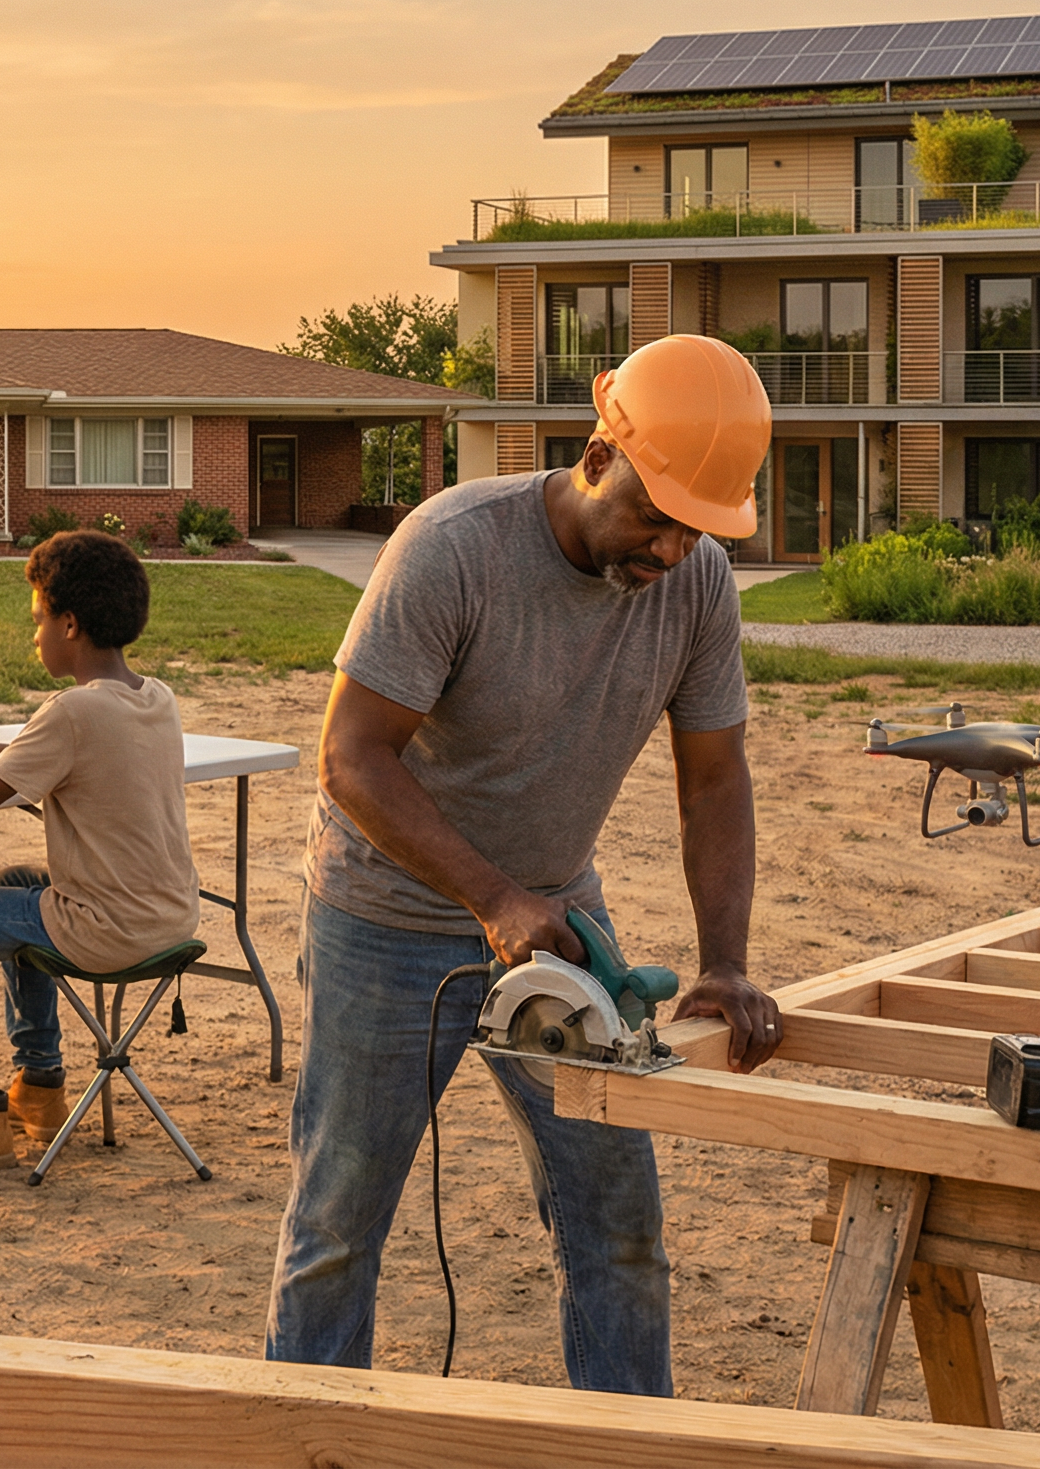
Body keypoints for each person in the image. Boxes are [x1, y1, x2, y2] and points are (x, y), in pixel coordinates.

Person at [263, 334, 785, 1392]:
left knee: (616, 1217)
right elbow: (349, 757)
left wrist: (723, 960)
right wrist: (491, 897)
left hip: (556, 917)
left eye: (696, 530)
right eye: (653, 516)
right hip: (385, 922)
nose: (671, 552)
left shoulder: (697, 586)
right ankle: (301, 1437)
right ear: (597, 456)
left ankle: (624, 1446)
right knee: (338, 1223)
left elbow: (715, 779)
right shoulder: (455, 548)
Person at [0, 530, 199, 1169]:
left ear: (69, 623)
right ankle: (40, 1085)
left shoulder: (71, 711)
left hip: (104, 930)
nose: (34, 636)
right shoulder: (155, 698)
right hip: (168, 919)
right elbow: (97, 778)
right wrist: (5, 758)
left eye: (38, 620)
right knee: (17, 879)